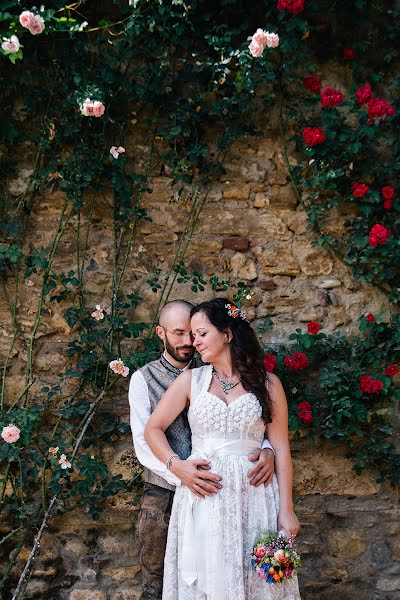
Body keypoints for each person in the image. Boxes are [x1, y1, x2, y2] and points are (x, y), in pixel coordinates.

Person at [145, 298, 301, 600]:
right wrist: (176, 465)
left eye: (202, 333)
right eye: (192, 335)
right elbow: (153, 429)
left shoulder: (268, 384)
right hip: (204, 497)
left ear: (228, 334)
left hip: (255, 498)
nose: (195, 342)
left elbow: (281, 448)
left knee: (259, 583)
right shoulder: (191, 380)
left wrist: (287, 510)